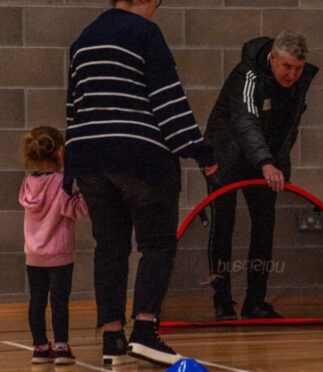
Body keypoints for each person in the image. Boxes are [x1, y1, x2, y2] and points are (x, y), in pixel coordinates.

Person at [64, 0, 217, 366]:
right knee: (158, 243)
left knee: (110, 247)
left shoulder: (83, 40)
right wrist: (201, 152)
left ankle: (112, 339)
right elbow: (168, 101)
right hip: (138, 154)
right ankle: (145, 331)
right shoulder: (145, 33)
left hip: (88, 156)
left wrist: (71, 170)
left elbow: (74, 106)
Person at [204, 31, 318, 321]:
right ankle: (222, 301)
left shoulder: (297, 83)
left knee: (264, 225)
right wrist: (266, 162)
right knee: (223, 225)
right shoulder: (247, 76)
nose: (293, 75)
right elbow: (246, 123)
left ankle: (255, 301)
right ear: (273, 58)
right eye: (287, 67)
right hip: (225, 157)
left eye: (298, 68)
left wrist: (279, 167)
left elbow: (287, 129)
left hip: (263, 159)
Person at [18, 127, 88, 366]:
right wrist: (86, 192)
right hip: (59, 254)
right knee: (59, 301)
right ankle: (61, 347)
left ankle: (39, 347)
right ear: (60, 152)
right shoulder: (61, 182)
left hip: (34, 254)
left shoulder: (28, 183)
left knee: (36, 301)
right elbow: (77, 211)